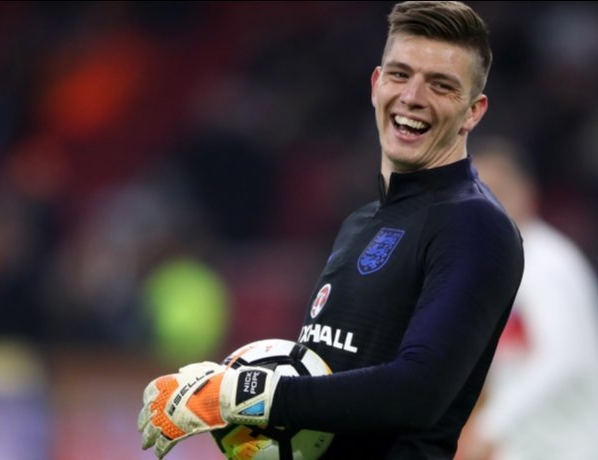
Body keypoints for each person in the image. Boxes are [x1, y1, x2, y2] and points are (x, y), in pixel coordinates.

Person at [138, 2, 524, 459]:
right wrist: (228, 384)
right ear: (376, 84)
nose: (413, 96)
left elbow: (418, 392)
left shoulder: (475, 225)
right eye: (400, 75)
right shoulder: (360, 223)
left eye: (441, 85)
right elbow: (324, 383)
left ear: (473, 112)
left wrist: (238, 397)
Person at [457, 137, 598, 460]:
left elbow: (562, 357)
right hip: (529, 446)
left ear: (527, 191)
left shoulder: (547, 261)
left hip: (577, 448)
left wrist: (491, 424)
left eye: (499, 188)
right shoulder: (499, 269)